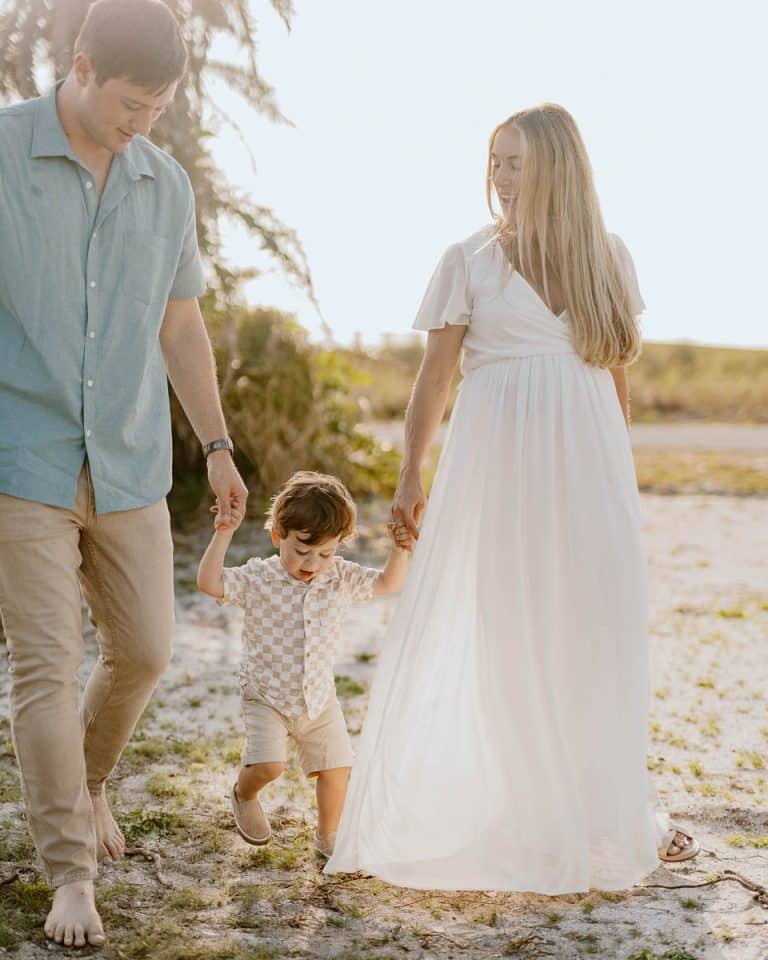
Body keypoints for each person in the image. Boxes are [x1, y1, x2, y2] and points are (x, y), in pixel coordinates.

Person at [325, 104, 699, 893]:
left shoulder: (609, 256)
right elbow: (433, 377)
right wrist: (410, 472)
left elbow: (617, 380)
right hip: (495, 464)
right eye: (496, 161)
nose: (501, 177)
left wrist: (617, 478)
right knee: (504, 624)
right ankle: (515, 805)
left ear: (559, 169)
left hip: (587, 465)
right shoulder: (469, 260)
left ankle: (592, 800)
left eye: (518, 162)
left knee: (588, 627)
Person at [0, 0, 247, 947]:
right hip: (22, 454)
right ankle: (68, 872)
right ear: (82, 62)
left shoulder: (165, 183)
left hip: (134, 456)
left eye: (157, 108)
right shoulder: (8, 149)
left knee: (144, 650)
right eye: (129, 103)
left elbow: (180, 327)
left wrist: (218, 446)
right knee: (45, 670)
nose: (140, 123)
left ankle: (88, 784)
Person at [197, 471, 412, 858]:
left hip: (318, 699)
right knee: (268, 766)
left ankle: (329, 836)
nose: (313, 563)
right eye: (301, 550)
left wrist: (399, 549)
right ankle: (244, 794)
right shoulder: (260, 576)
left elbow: (387, 585)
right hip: (267, 695)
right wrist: (224, 532)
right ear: (278, 535)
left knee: (337, 770)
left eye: (325, 553)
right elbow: (211, 583)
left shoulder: (340, 577)